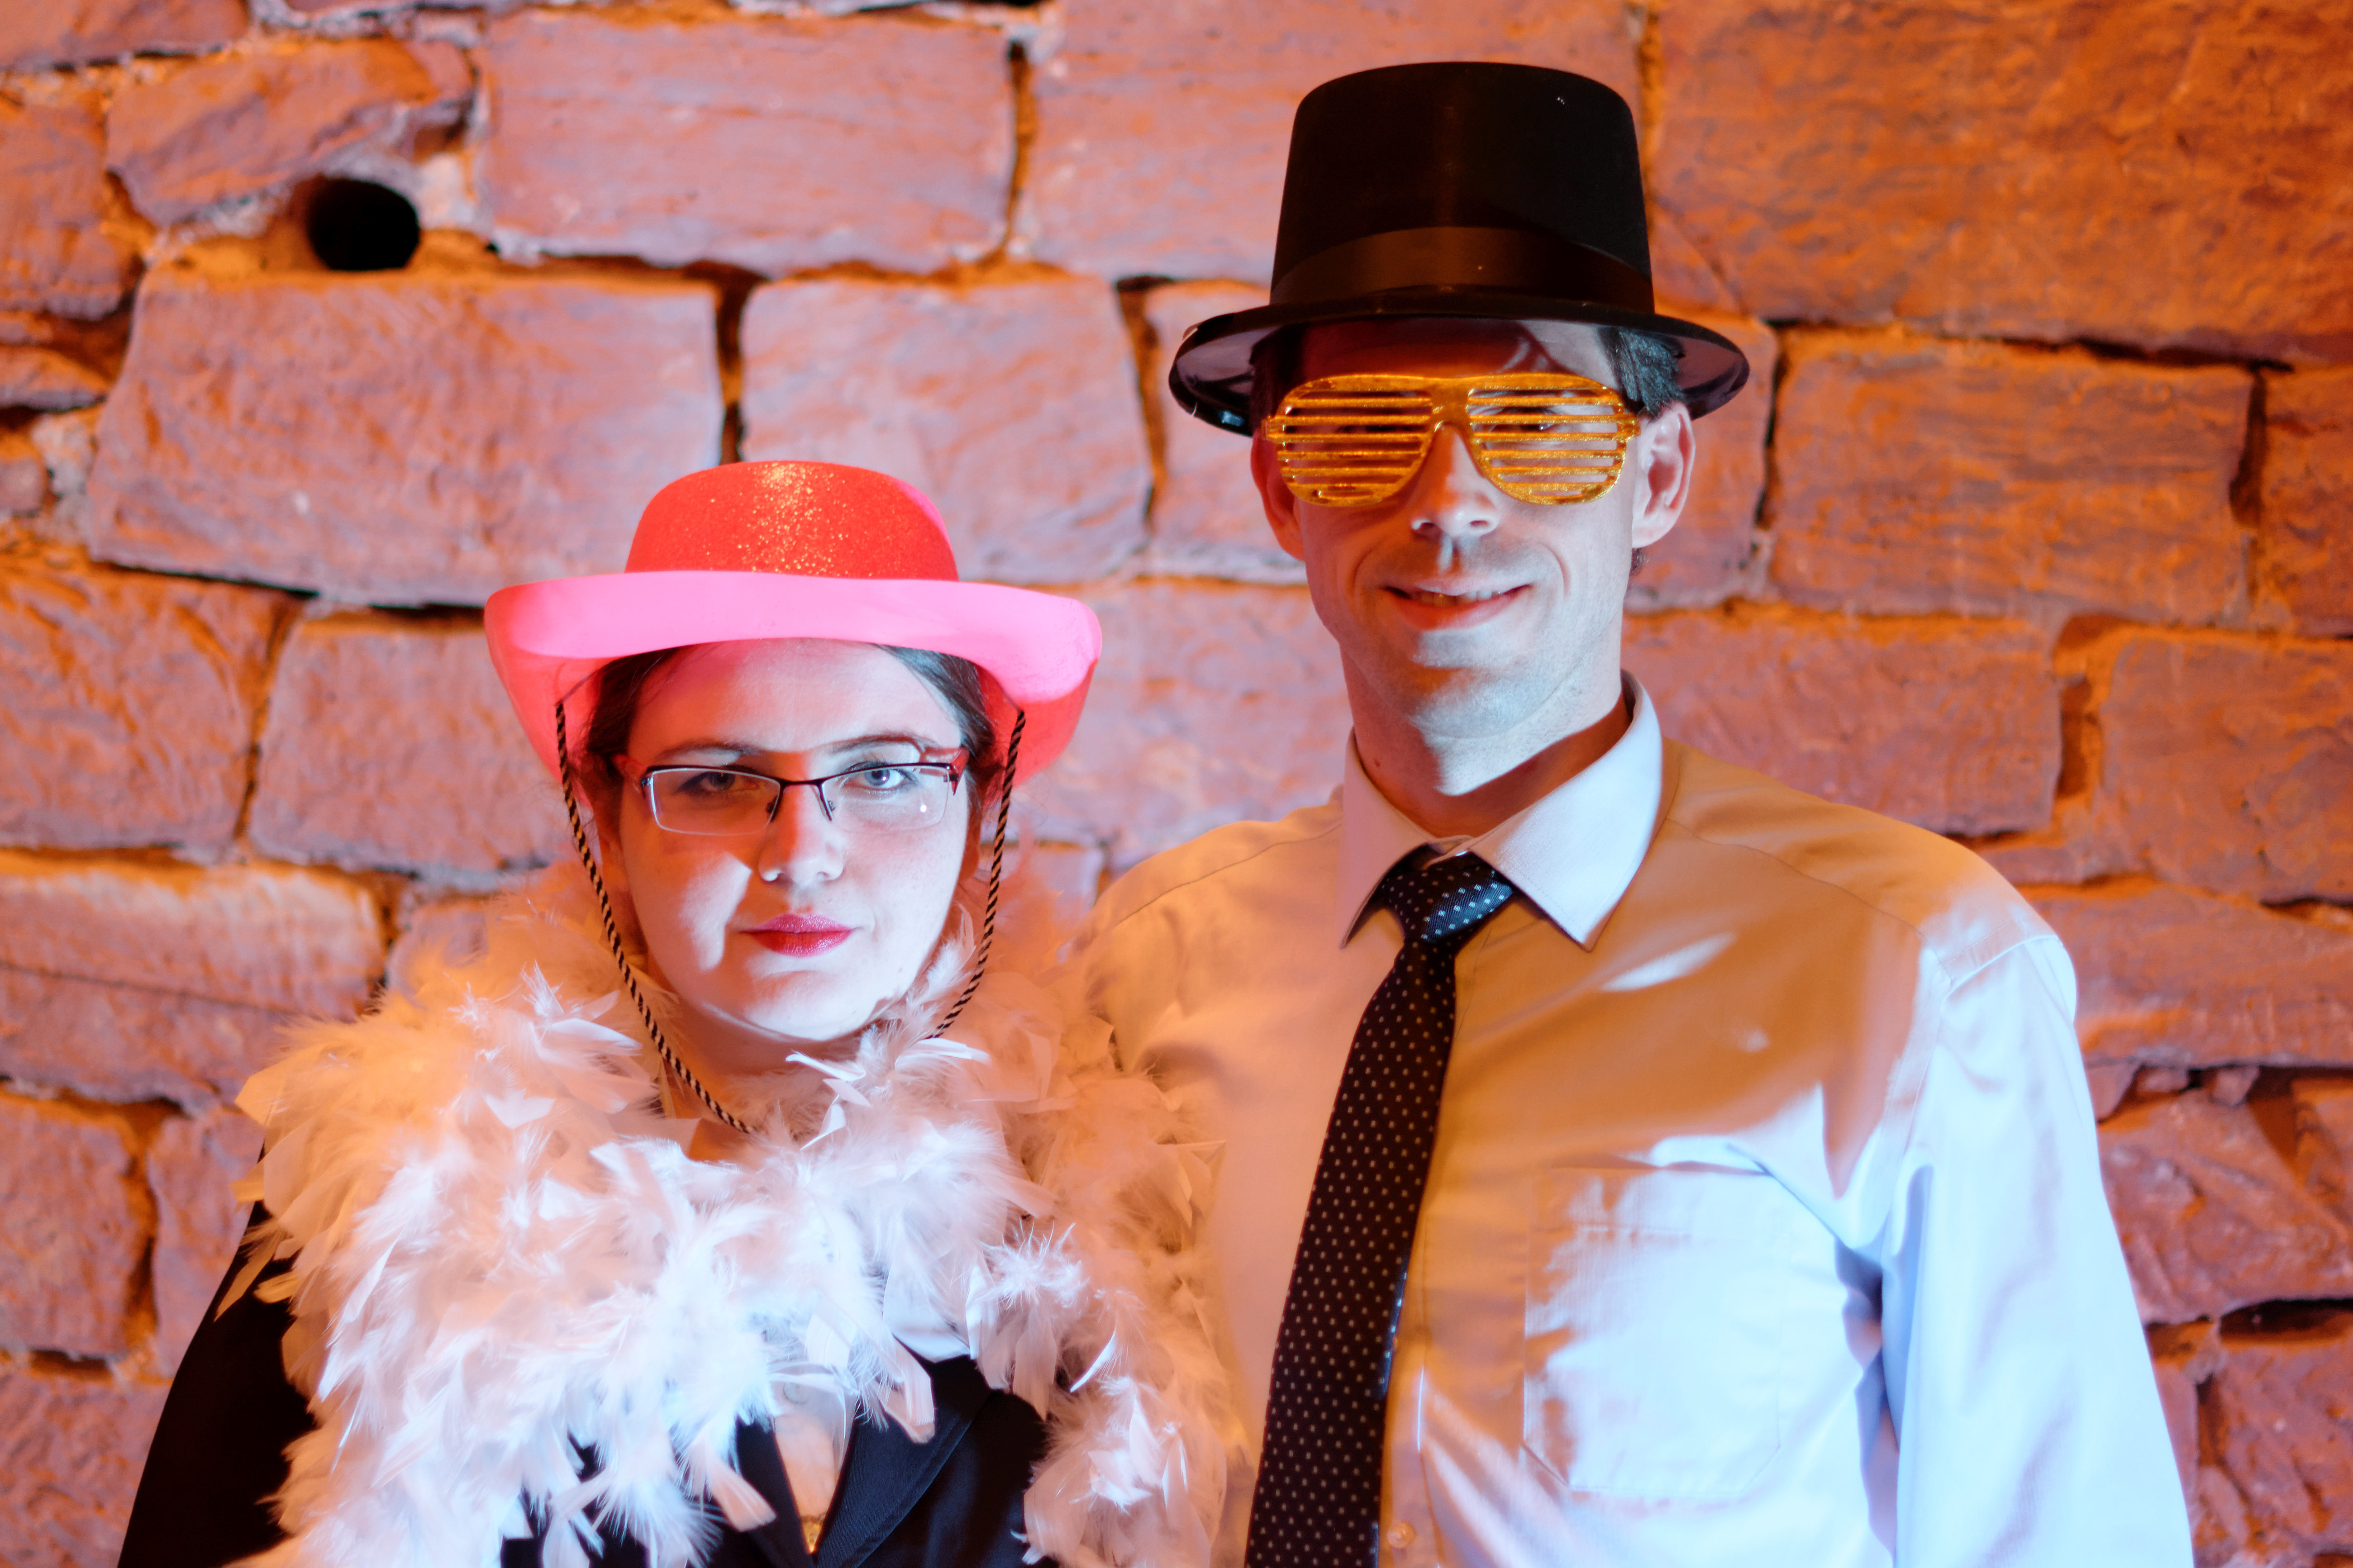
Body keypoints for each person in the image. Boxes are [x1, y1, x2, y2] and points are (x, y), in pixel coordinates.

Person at [1062, 62, 2189, 1567]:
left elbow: (2066, 1535)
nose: (1450, 499)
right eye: (1363, 430)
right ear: (1280, 491)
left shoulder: (1915, 969)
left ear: (1657, 475)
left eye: (1539, 426)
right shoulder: (1147, 965)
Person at [120, 461, 1232, 1568]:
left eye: (884, 773)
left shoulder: (1106, 1197)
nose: (801, 853)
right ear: (606, 819)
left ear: (979, 804)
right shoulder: (392, 1191)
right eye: (713, 778)